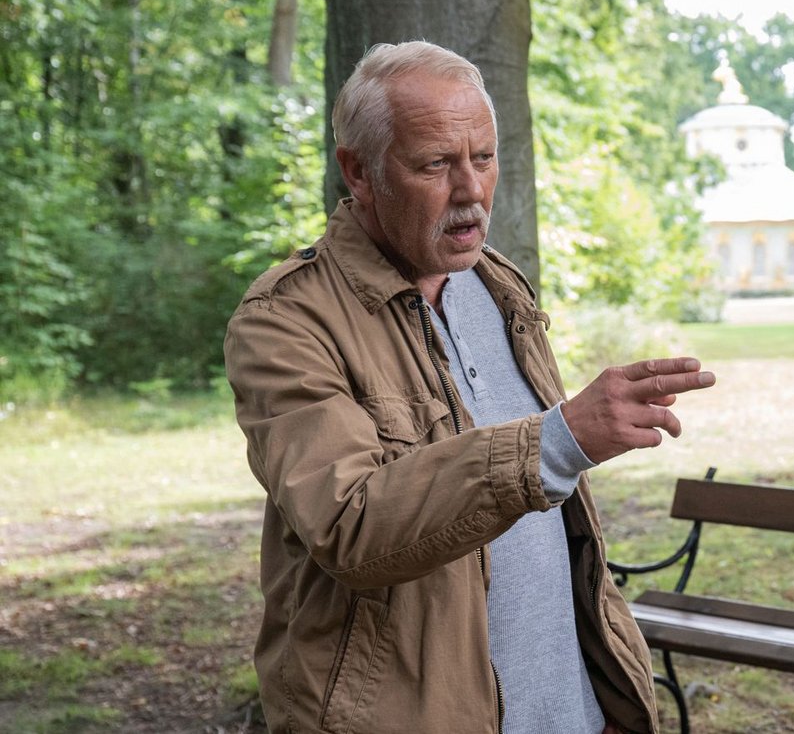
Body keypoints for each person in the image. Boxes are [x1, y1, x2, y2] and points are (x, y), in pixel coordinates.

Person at [225, 41, 715, 734]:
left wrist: (599, 695)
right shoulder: (286, 321)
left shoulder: (497, 282)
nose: (471, 191)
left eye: (483, 158)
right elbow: (350, 526)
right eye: (435, 164)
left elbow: (550, 532)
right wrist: (558, 441)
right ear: (358, 171)